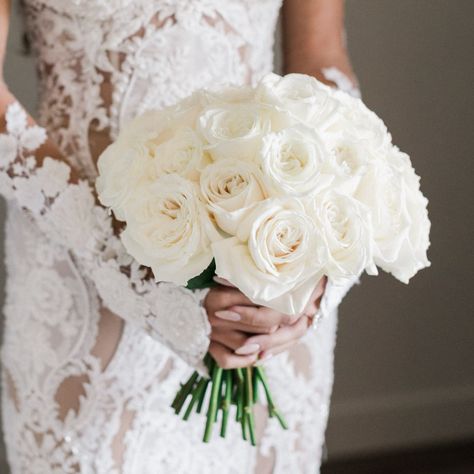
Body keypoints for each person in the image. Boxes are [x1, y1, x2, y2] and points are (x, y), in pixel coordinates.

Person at [0, 1, 359, 472]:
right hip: (85, 277)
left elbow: (321, 61)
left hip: (264, 269)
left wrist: (318, 253)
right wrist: (134, 272)